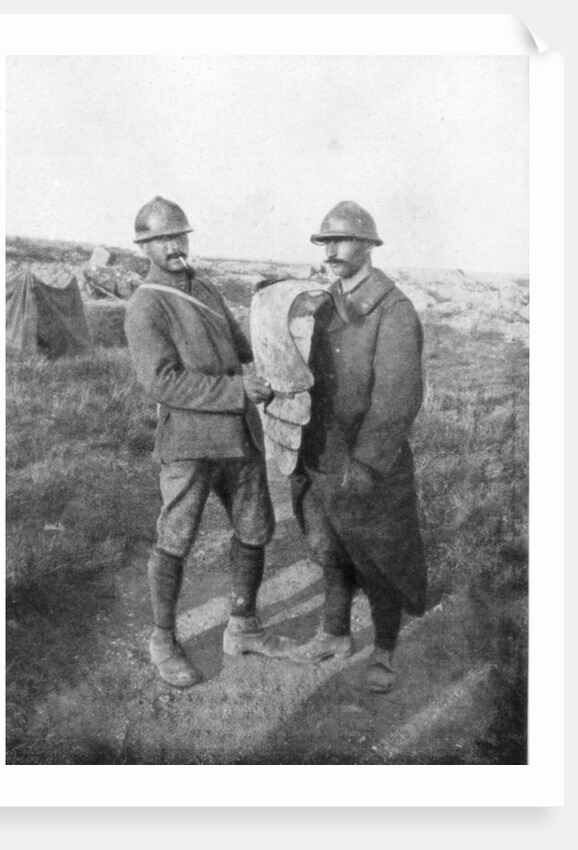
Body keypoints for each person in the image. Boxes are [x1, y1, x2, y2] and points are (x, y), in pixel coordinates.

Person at [125, 196, 295, 688]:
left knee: (254, 530)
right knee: (176, 539)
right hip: (190, 444)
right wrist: (235, 390)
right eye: (164, 239)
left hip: (239, 437)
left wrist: (270, 306)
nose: (176, 246)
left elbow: (243, 350)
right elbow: (162, 383)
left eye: (181, 236)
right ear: (146, 247)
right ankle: (163, 639)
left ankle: (242, 626)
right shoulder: (145, 304)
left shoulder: (206, 289)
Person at [288, 201, 427, 693]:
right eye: (325, 242)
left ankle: (385, 648)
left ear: (368, 246)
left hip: (367, 462)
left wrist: (366, 463)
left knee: (378, 556)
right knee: (328, 548)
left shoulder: (394, 310)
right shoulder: (323, 303)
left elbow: (397, 399)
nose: (331, 251)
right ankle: (334, 633)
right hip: (320, 453)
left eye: (341, 241)